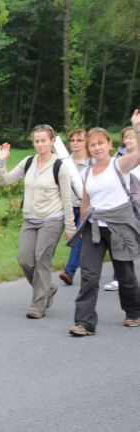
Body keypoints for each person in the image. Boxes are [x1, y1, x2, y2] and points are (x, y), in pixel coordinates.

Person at [68, 118, 140, 336]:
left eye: (101, 143)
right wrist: (80, 228)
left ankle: (134, 312)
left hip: (119, 226)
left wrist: (137, 128)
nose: (97, 147)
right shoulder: (86, 173)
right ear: (88, 150)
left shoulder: (119, 165)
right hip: (94, 227)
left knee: (125, 274)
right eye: (92, 144)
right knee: (89, 275)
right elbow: (85, 203)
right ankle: (84, 322)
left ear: (109, 144)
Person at [0, 124, 75, 319]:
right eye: (36, 141)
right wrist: (0, 162)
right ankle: (48, 286)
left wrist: (71, 227)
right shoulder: (28, 161)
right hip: (29, 220)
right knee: (24, 259)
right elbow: (5, 181)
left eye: (43, 140)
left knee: (42, 260)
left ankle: (38, 305)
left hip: (52, 220)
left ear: (52, 142)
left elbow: (67, 199)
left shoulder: (60, 167)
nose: (39, 144)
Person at [100, 126, 138, 292]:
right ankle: (118, 278)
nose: (128, 140)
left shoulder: (135, 159)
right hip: (125, 208)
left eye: (132, 137)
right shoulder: (118, 158)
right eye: (126, 137)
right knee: (120, 244)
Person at [59, 129, 90, 286]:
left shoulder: (91, 162)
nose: (76, 143)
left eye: (80, 140)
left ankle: (69, 272)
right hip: (68, 207)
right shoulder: (64, 162)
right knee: (80, 239)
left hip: (87, 207)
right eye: (73, 140)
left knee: (77, 237)